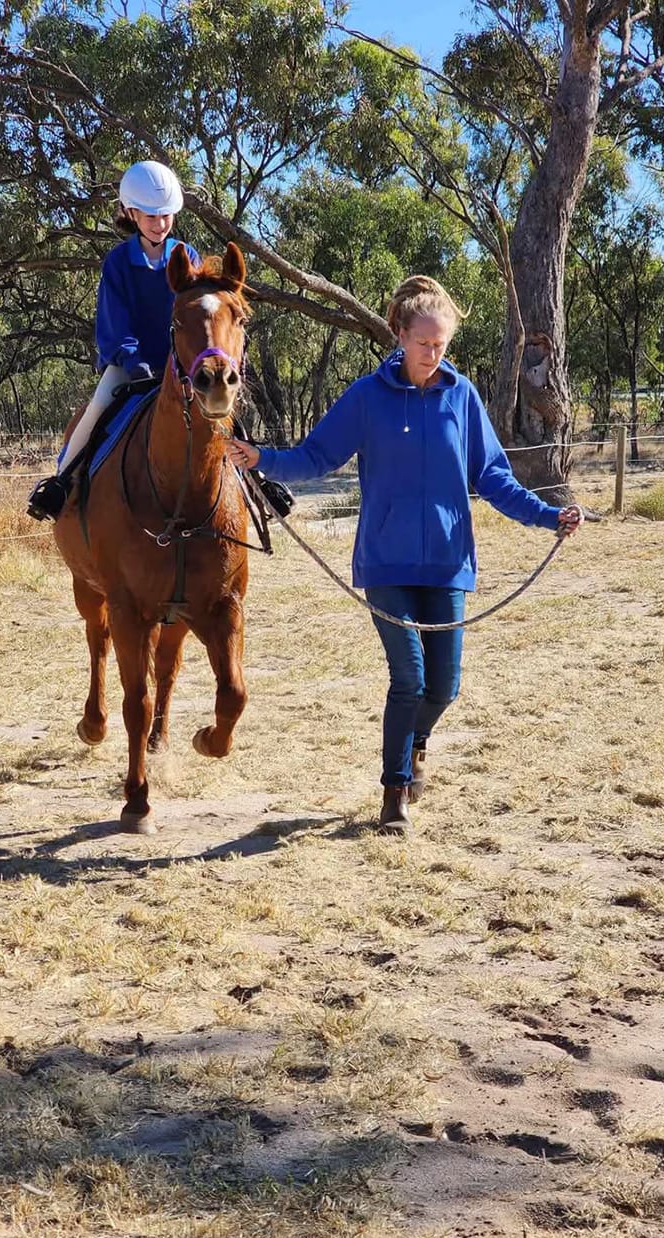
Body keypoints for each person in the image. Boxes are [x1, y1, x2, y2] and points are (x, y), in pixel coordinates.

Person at [227, 275, 582, 836]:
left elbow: (492, 477)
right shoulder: (367, 397)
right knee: (409, 678)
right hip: (385, 564)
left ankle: (418, 744)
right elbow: (317, 455)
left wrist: (547, 515)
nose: (433, 355)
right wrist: (261, 458)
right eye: (424, 344)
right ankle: (395, 794)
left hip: (447, 564)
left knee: (445, 686)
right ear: (399, 335)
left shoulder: (461, 397)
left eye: (442, 345)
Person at [28, 160, 199, 522]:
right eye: (151, 216)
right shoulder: (118, 263)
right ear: (130, 212)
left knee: (221, 410)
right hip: (130, 369)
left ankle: (258, 478)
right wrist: (133, 360)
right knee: (96, 409)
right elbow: (114, 322)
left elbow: (198, 317)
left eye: (166, 215)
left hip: (181, 367)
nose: (160, 223)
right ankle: (60, 483)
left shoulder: (187, 257)